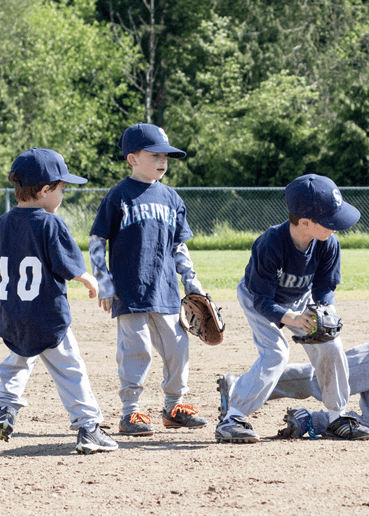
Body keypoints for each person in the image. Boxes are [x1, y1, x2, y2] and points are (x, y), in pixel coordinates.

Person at [0, 147, 117, 455]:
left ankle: (6, 409)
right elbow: (69, 266)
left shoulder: (1, 223)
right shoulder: (51, 223)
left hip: (12, 313)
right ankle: (89, 427)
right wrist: (88, 279)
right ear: (44, 190)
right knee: (70, 369)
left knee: (17, 361)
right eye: (61, 188)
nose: (63, 195)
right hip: (48, 316)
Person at [215, 174, 363, 444]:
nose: (336, 227)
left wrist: (325, 311)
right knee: (276, 353)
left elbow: (324, 287)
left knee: (330, 345)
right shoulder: (270, 243)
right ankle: (232, 417)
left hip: (300, 299)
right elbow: (262, 300)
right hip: (258, 298)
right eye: (329, 221)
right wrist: (292, 318)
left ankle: (336, 416)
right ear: (305, 222)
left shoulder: (328, 243)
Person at [89, 123, 208, 437]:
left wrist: (191, 283)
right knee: (136, 348)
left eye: (166, 156)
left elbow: (178, 246)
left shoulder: (171, 198)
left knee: (178, 347)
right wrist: (104, 281)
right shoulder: (118, 196)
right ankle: (130, 411)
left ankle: (174, 407)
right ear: (132, 159)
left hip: (165, 289)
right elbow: (97, 241)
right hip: (129, 290)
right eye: (155, 155)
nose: (162, 160)